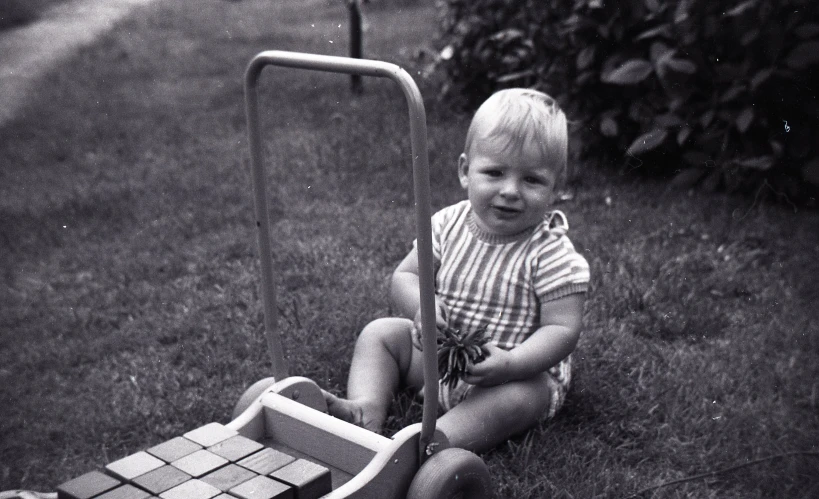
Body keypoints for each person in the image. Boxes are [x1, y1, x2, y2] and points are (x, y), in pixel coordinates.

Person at [323, 88, 590, 453]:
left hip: (511, 372)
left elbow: (562, 330)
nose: (510, 190)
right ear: (466, 171)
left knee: (519, 396)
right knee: (381, 334)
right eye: (494, 172)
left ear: (555, 188)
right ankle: (364, 413)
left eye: (532, 180)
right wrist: (423, 308)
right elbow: (406, 276)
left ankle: (428, 444)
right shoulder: (447, 224)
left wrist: (512, 363)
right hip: (443, 357)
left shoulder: (553, 253)